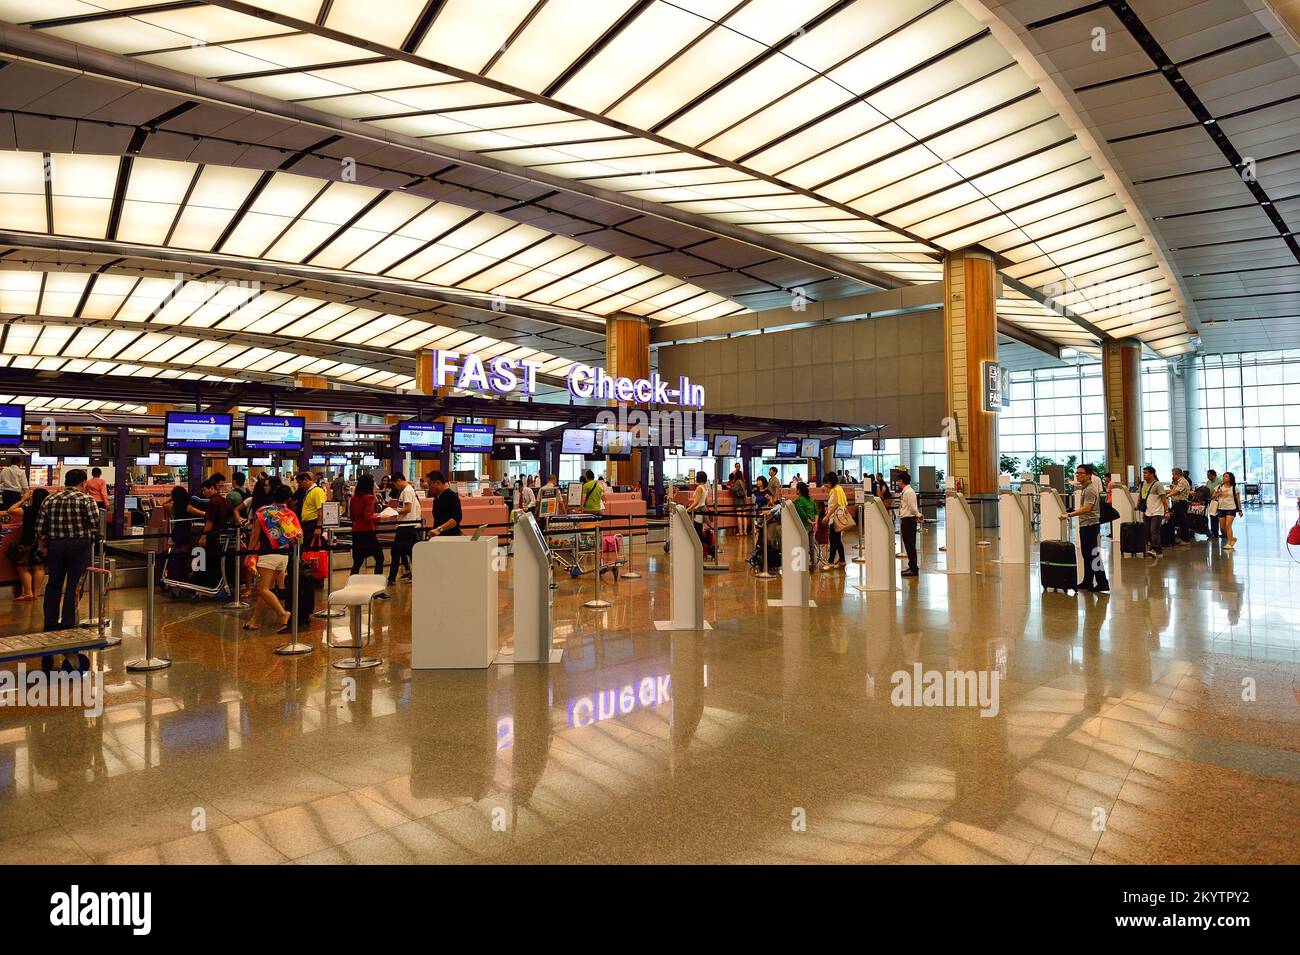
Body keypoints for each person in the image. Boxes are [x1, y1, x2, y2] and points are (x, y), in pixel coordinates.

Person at [33, 468, 101, 631]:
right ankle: (68, 622)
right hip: (79, 545)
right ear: (83, 483)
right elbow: (94, 525)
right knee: (74, 585)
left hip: (55, 545)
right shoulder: (86, 500)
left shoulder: (50, 499)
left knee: (54, 583)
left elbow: (40, 527)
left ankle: (50, 621)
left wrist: (42, 546)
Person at [243, 485, 300, 632]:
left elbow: (255, 535)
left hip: (267, 555)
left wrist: (249, 553)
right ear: (288, 498)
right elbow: (298, 537)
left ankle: (283, 613)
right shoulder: (290, 514)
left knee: (261, 589)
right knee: (266, 589)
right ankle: (253, 621)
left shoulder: (262, 512)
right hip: (284, 556)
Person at [1060, 464, 1109, 593]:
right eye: (1077, 473)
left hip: (1091, 526)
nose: (1078, 475)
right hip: (1085, 525)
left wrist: (1069, 515)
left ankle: (1102, 582)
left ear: (1088, 475)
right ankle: (1088, 581)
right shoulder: (1085, 488)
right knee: (1086, 555)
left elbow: (1087, 508)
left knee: (1093, 554)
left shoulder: (1090, 490)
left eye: (1081, 473)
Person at [7, 486, 48, 602]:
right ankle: (36, 593)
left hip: (26, 541)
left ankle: (28, 593)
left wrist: (23, 499)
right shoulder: (47, 511)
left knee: (22, 567)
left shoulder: (28, 510)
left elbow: (10, 510)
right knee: (39, 567)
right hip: (42, 540)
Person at [381, 472, 419, 584]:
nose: (395, 487)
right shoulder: (407, 490)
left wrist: (393, 511)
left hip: (405, 526)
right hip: (406, 526)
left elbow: (407, 509)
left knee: (396, 551)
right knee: (408, 552)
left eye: (395, 484)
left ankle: (392, 578)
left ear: (398, 480)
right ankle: (410, 574)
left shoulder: (407, 491)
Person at [348, 474, 385, 586]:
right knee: (379, 558)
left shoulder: (354, 498)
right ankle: (377, 586)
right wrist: (380, 517)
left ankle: (351, 585)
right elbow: (368, 517)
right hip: (367, 532)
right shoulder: (370, 497)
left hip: (356, 532)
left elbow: (352, 517)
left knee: (357, 561)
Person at [1137, 466, 1169, 558]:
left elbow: (1164, 499)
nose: (1144, 475)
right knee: (1147, 531)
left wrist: (1166, 511)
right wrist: (1137, 505)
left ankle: (1154, 549)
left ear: (1152, 474)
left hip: (1157, 512)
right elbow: (1141, 495)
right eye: (1143, 473)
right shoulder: (1143, 484)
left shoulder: (1157, 484)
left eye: (1146, 473)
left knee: (1154, 531)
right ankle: (1158, 551)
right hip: (1147, 511)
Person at [898, 469, 921, 577]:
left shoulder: (909, 492)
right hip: (906, 520)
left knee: (910, 545)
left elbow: (912, 507)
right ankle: (911, 566)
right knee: (908, 545)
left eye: (898, 481)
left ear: (901, 481)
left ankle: (914, 569)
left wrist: (918, 515)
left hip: (909, 521)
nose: (897, 483)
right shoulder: (906, 491)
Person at [426, 470, 462, 538]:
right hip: (439, 537)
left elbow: (455, 519)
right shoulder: (436, 498)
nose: (429, 487)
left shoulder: (452, 496)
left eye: (430, 484)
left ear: (438, 482)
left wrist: (439, 529)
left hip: (450, 537)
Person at [823, 471, 848, 568]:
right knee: (837, 540)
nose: (825, 486)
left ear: (830, 481)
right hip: (839, 517)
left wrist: (827, 515)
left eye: (826, 483)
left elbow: (836, 504)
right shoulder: (839, 489)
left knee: (833, 540)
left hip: (835, 519)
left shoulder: (835, 490)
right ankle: (842, 560)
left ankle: (830, 562)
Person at [296, 471, 326, 544]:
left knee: (312, 549)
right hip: (307, 525)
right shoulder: (309, 491)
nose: (299, 485)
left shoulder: (317, 491)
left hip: (313, 524)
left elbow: (321, 510)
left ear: (306, 479)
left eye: (300, 483)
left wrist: (318, 527)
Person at [1213, 471, 1241, 549]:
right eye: (1224, 476)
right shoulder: (1219, 487)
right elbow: (1213, 497)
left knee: (1228, 525)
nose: (1224, 478)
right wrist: (1218, 493)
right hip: (1221, 508)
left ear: (1230, 478)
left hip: (1231, 508)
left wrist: (1240, 510)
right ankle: (1231, 538)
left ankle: (1229, 543)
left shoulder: (1234, 488)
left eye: (1226, 476)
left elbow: (1238, 500)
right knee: (1222, 528)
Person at [794, 481, 817, 563]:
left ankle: (805, 564)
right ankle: (813, 563)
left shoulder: (798, 501)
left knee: (804, 545)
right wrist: (815, 523)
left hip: (804, 524)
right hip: (812, 525)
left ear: (799, 490)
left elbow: (802, 514)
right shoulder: (811, 499)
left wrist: (810, 522)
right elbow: (816, 512)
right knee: (812, 545)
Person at [1169, 467, 1192, 544]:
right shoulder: (1178, 482)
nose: (1172, 476)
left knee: (1182, 522)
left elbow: (1177, 492)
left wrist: (1167, 495)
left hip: (1181, 503)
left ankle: (1185, 539)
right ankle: (1182, 538)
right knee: (1181, 521)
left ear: (1177, 474)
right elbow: (1174, 490)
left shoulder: (1182, 482)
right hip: (1178, 503)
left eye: (1173, 474)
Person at [730, 469, 750, 535]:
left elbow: (734, 489)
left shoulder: (738, 481)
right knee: (744, 516)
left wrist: (730, 487)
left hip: (738, 500)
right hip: (743, 500)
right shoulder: (743, 481)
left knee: (739, 516)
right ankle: (745, 531)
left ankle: (740, 532)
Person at [1205, 469, 1222, 539]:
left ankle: (1216, 532)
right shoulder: (1208, 482)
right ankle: (1213, 532)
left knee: (1216, 517)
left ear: (1213, 475)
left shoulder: (1219, 481)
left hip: (1218, 501)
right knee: (1212, 516)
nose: (1208, 477)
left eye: (1209, 475)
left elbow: (1219, 491)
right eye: (1207, 475)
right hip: (1210, 501)